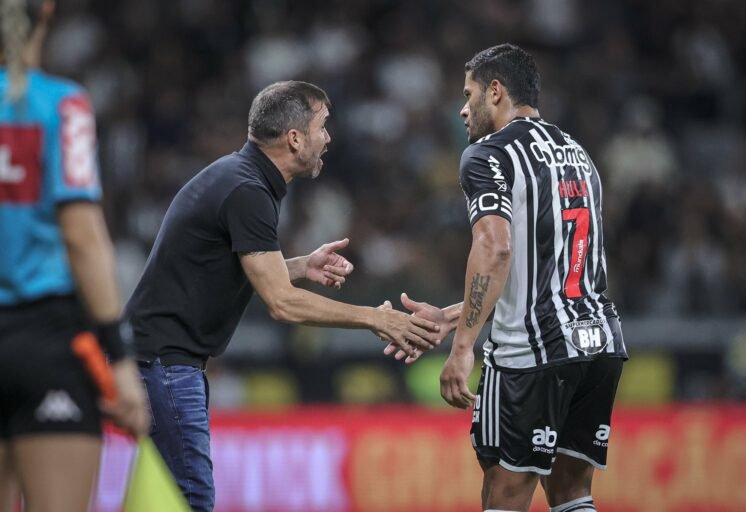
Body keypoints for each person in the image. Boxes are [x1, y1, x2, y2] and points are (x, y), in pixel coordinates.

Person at [124, 80, 441, 512]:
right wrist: (376, 318)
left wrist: (298, 266)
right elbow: (281, 302)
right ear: (295, 138)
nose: (328, 138)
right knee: (191, 498)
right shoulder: (248, 190)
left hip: (158, 359)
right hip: (165, 363)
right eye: (322, 126)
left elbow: (226, 267)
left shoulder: (241, 177)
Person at [389, 44, 628, 512]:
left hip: (531, 354)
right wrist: (455, 315)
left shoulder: (488, 155)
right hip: (598, 345)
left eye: (468, 93)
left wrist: (462, 347)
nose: (462, 108)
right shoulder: (577, 153)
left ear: (495, 92)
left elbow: (495, 248)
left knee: (504, 492)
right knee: (571, 493)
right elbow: (544, 270)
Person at [0, 1, 149, 511]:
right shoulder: (62, 106)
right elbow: (83, 236)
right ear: (45, 10)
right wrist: (120, 362)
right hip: (47, 344)